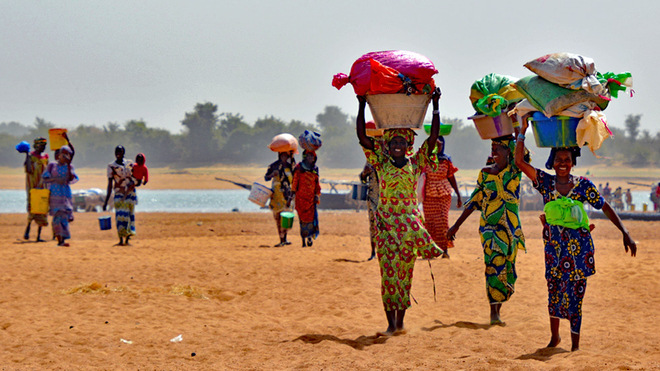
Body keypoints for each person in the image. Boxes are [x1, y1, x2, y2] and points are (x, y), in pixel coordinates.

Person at [514, 117, 636, 351]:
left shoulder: (583, 186)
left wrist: (625, 231)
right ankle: (554, 338)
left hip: (579, 252)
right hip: (553, 250)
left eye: (567, 160)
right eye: (558, 159)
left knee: (576, 296)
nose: (562, 163)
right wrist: (522, 131)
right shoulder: (545, 183)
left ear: (572, 163)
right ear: (552, 162)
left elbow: (605, 206)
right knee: (554, 291)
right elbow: (519, 161)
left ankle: (575, 346)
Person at [356, 88, 443, 336]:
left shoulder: (416, 164)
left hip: (407, 229)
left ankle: (401, 323)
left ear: (408, 146)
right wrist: (362, 105)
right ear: (388, 145)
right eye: (393, 141)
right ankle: (390, 324)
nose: (396, 145)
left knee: (405, 275)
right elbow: (362, 137)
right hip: (385, 228)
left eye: (401, 142)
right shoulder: (380, 163)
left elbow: (433, 136)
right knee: (388, 275)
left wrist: (436, 105)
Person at [447, 135, 527, 325]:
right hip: (490, 229)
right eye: (492, 147)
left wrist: (517, 127)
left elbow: (523, 154)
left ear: (509, 151)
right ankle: (494, 313)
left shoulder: (515, 171)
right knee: (493, 265)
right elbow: (474, 201)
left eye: (498, 148)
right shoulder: (484, 174)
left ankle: (497, 307)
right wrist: (456, 226)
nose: (494, 151)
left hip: (511, 230)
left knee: (507, 269)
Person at [420, 136, 462, 258]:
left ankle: (444, 250)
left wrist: (458, 195)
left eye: (440, 145)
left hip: (443, 194)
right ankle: (430, 251)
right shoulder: (425, 159)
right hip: (428, 195)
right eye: (435, 144)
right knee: (430, 223)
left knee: (443, 221)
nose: (438, 147)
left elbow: (452, 178)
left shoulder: (446, 160)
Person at [42, 145, 78, 246]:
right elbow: (44, 178)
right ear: (59, 155)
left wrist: (68, 164)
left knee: (64, 216)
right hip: (55, 193)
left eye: (67, 154)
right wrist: (55, 180)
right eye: (63, 154)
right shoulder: (52, 165)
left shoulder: (70, 166)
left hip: (65, 194)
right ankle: (59, 239)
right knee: (57, 216)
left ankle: (63, 239)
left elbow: (71, 178)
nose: (65, 156)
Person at [103, 145, 137, 246]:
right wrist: (106, 201)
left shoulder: (129, 164)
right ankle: (121, 240)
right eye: (116, 151)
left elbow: (135, 177)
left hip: (130, 194)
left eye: (120, 151)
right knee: (120, 216)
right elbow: (109, 184)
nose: (118, 153)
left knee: (129, 216)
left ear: (123, 152)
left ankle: (127, 240)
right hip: (119, 194)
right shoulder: (111, 166)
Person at [265, 150, 296, 247]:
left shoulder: (291, 167)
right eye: (282, 155)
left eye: (285, 155)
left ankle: (285, 238)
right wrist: (272, 175)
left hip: (288, 195)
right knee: (278, 217)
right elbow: (266, 177)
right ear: (279, 156)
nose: (284, 157)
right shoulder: (273, 166)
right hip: (277, 195)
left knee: (286, 217)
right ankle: (281, 239)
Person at [291, 150, 321, 247]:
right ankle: (303, 240)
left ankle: (309, 237)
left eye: (312, 156)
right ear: (305, 157)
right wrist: (292, 193)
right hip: (300, 199)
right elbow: (295, 182)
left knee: (311, 220)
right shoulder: (299, 168)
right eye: (308, 156)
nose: (310, 158)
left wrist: (317, 194)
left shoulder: (315, 169)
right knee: (302, 220)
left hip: (311, 199)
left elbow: (317, 184)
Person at [23, 137, 49, 241]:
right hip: (32, 187)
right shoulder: (31, 157)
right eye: (41, 146)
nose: (43, 148)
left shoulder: (45, 157)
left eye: (44, 146)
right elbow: (28, 170)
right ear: (36, 146)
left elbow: (48, 170)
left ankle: (38, 236)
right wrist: (26, 156)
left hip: (43, 186)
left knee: (42, 209)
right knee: (32, 208)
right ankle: (27, 230)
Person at [360, 162, 379, 260]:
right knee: (373, 225)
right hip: (372, 198)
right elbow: (363, 179)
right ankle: (373, 252)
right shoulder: (370, 161)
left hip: (387, 199)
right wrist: (364, 174)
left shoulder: (390, 158)